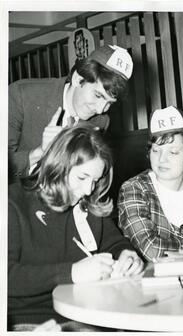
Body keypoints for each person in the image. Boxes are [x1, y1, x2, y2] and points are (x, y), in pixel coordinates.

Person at [8, 125, 143, 331]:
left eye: (95, 180)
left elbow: (115, 242)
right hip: (33, 321)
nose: (88, 189)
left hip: (90, 312)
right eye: (82, 177)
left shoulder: (85, 204)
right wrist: (72, 273)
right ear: (58, 166)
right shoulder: (13, 202)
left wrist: (127, 255)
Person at [8, 44, 133, 180]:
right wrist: (40, 152)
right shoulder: (22, 95)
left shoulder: (100, 122)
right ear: (78, 79)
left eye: (109, 103)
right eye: (98, 95)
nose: (100, 109)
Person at [118, 106, 183, 262]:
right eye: (156, 150)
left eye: (173, 152)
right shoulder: (135, 188)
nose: (162, 159)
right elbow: (150, 249)